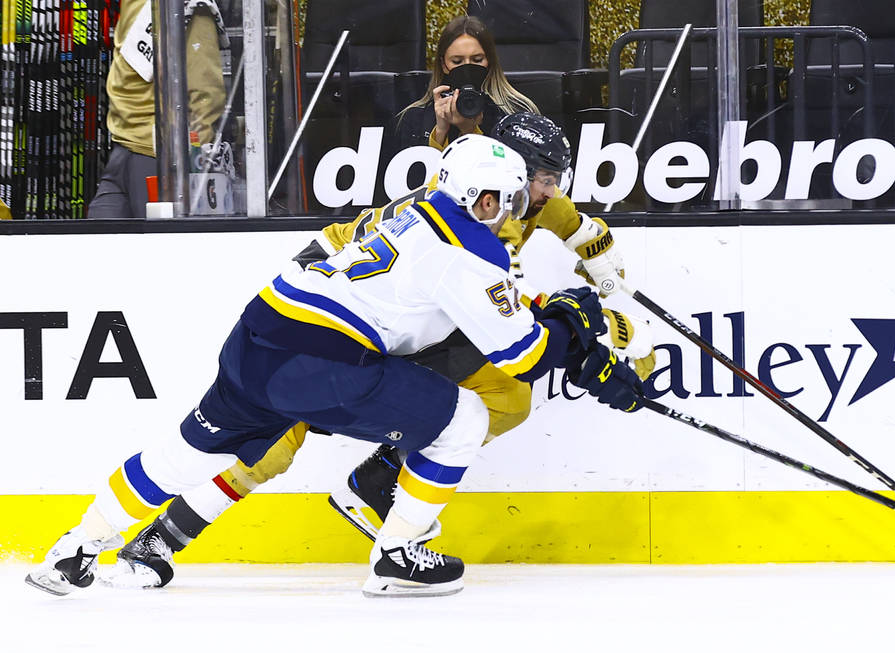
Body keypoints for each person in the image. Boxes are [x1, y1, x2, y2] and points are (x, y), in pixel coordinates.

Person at [26, 134, 645, 599]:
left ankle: (71, 551)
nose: (508, 212)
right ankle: (397, 553)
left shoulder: (407, 211)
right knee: (463, 421)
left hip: (257, 333)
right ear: (482, 195)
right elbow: (523, 354)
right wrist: (577, 335)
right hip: (324, 361)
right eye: (503, 200)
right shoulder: (467, 244)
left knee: (185, 454)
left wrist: (568, 328)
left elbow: (473, 301)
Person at [87, 0, 228, 219]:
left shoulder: (190, 5)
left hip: (158, 157)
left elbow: (205, 97)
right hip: (123, 148)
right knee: (100, 241)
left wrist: (192, 168)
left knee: (157, 247)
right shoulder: (131, 4)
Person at [394, 15, 538, 151]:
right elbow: (417, 174)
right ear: (444, 65)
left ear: (490, 61)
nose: (467, 68)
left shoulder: (516, 112)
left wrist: (470, 130)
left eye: (477, 60)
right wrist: (440, 132)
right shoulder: (414, 117)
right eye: (457, 62)